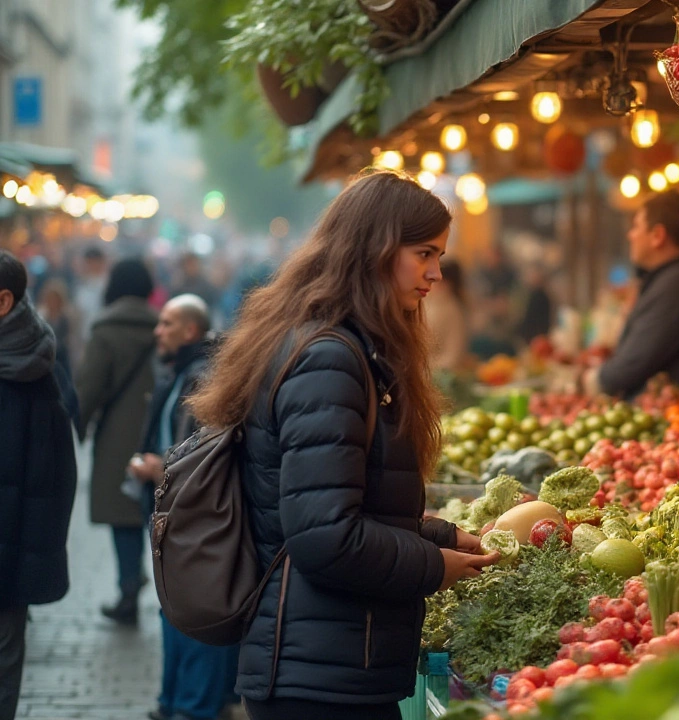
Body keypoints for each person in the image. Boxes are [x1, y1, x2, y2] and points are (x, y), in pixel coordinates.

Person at [186, 170, 499, 720]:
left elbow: (334, 506)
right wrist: (432, 564)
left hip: (330, 662)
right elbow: (324, 538)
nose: (436, 272)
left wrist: (442, 535)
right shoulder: (329, 359)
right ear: (376, 250)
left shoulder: (341, 347)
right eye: (425, 253)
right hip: (317, 677)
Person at [123, 294, 239, 720]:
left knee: (192, 609)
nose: (158, 330)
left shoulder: (203, 376)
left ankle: (193, 706)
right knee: (171, 607)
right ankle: (173, 701)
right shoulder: (181, 370)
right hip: (171, 513)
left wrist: (161, 467)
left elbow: (205, 451)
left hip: (192, 517)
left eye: (167, 323)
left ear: (190, 330)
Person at [0, 250, 78, 720]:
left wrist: (29, 562)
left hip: (9, 561)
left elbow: (56, 478)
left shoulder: (35, 371)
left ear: (3, 300)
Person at [75, 258, 159, 626]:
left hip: (117, 438)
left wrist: (76, 425)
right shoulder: (164, 326)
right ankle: (164, 590)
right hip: (159, 436)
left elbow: (88, 388)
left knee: (122, 515)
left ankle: (128, 586)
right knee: (155, 513)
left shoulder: (105, 330)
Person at [592, 191, 679, 398]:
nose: (630, 235)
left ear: (658, 236)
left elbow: (634, 362)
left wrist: (595, 380)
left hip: (670, 414)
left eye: (636, 227)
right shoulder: (669, 279)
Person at [423, 261, 469, 373]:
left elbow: (453, 352)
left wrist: (430, 370)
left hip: (437, 373)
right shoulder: (423, 301)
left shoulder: (453, 309)